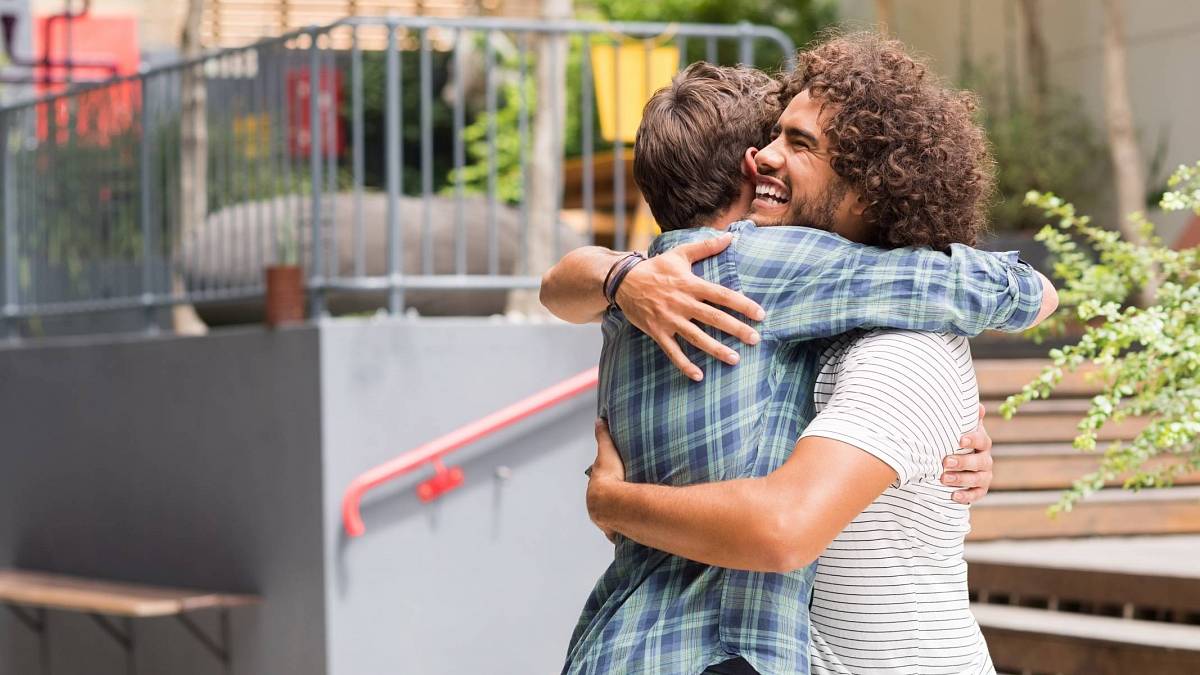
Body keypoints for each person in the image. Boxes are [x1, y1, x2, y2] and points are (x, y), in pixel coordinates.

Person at [542, 35, 1058, 675]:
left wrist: (613, 502)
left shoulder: (902, 347)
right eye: (769, 139)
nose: (766, 157)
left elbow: (783, 526)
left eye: (799, 144)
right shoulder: (757, 298)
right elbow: (1014, 292)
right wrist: (621, 275)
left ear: (872, 185)